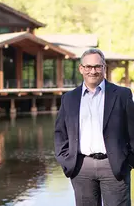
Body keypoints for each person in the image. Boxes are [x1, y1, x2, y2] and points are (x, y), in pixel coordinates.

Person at [54, 48, 134, 206]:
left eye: (98, 66)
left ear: (104, 68)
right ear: (81, 69)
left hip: (114, 166)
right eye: (88, 67)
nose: (93, 71)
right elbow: (60, 134)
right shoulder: (69, 98)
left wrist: (129, 162)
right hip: (81, 167)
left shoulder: (122, 95)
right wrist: (67, 161)